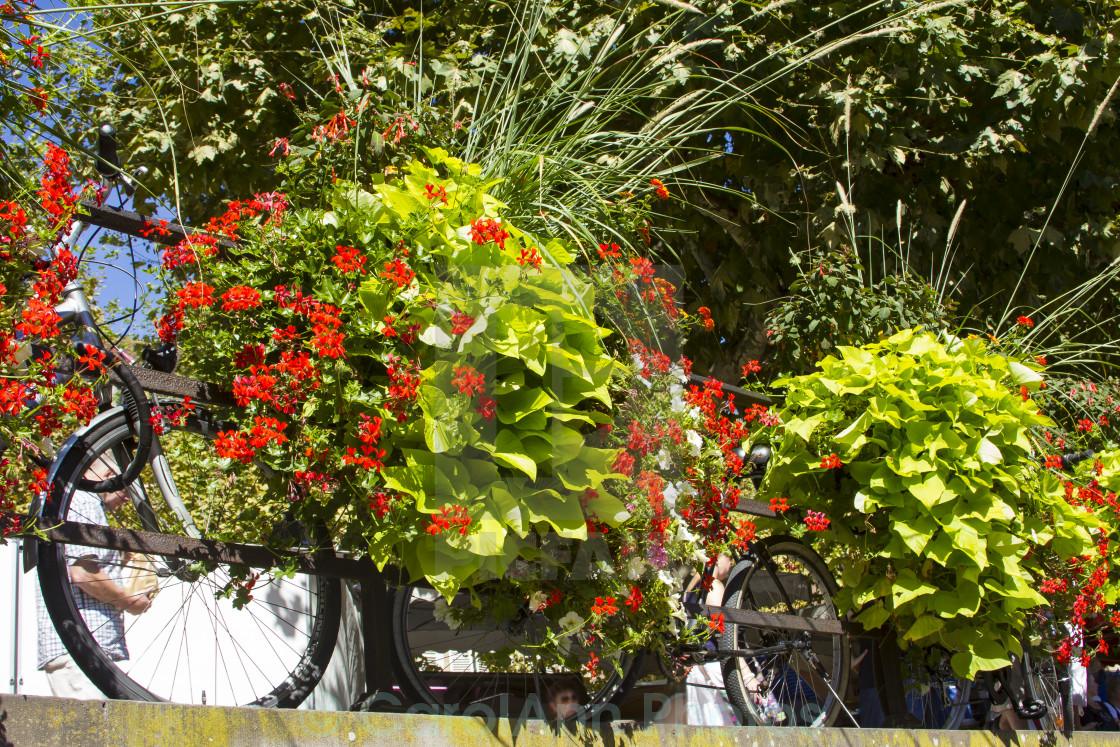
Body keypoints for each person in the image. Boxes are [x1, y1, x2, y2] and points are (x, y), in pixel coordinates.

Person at [36, 457, 152, 698]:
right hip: (83, 648)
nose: (128, 498)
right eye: (126, 487)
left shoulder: (66, 501)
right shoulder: (85, 501)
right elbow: (81, 572)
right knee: (95, 732)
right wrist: (130, 601)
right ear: (106, 475)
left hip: (73, 648)